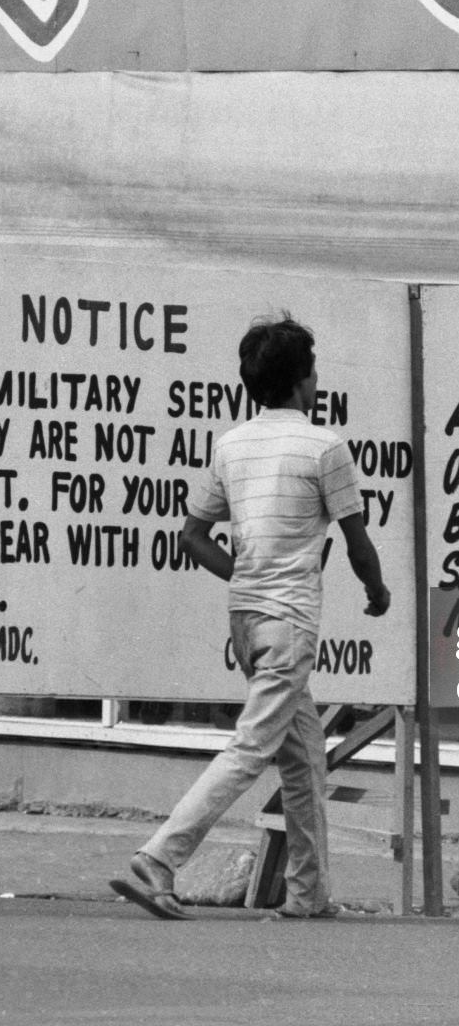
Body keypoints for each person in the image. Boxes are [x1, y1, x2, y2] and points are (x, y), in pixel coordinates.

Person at [114, 314, 391, 920]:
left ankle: (308, 895)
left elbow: (192, 536)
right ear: (301, 380)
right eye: (314, 371)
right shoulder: (326, 447)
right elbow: (357, 541)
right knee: (251, 748)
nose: (318, 381)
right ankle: (160, 858)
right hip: (289, 624)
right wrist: (378, 591)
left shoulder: (231, 445)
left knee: (304, 758)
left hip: (246, 621)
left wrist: (243, 576)